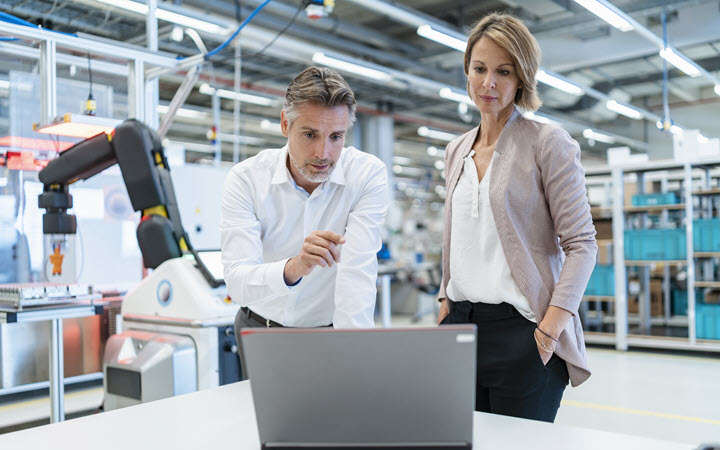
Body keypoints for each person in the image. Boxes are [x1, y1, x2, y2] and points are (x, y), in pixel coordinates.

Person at [436, 13, 597, 422]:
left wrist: (549, 330)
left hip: (523, 333)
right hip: (460, 327)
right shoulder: (456, 149)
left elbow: (582, 245)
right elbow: (457, 236)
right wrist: (443, 299)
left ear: (522, 77)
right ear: (467, 71)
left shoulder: (548, 143)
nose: (488, 83)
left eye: (503, 72)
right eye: (479, 69)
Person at [221, 67, 389, 362]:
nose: (323, 153)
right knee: (261, 411)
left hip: (328, 334)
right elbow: (237, 282)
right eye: (310, 134)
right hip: (260, 331)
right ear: (286, 124)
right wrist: (294, 267)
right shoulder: (247, 179)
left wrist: (357, 353)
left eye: (336, 136)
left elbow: (357, 272)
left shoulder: (366, 175)